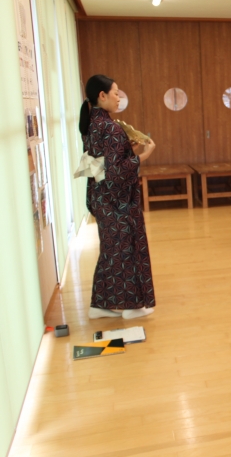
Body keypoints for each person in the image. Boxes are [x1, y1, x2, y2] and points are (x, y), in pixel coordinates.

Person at [76, 74, 157, 320]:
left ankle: (99, 304)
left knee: (111, 251)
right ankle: (132, 307)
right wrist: (144, 155)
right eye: (115, 93)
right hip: (116, 201)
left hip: (101, 197)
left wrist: (127, 149)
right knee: (125, 251)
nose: (119, 98)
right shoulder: (110, 127)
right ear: (102, 96)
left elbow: (103, 161)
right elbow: (116, 171)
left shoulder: (92, 124)